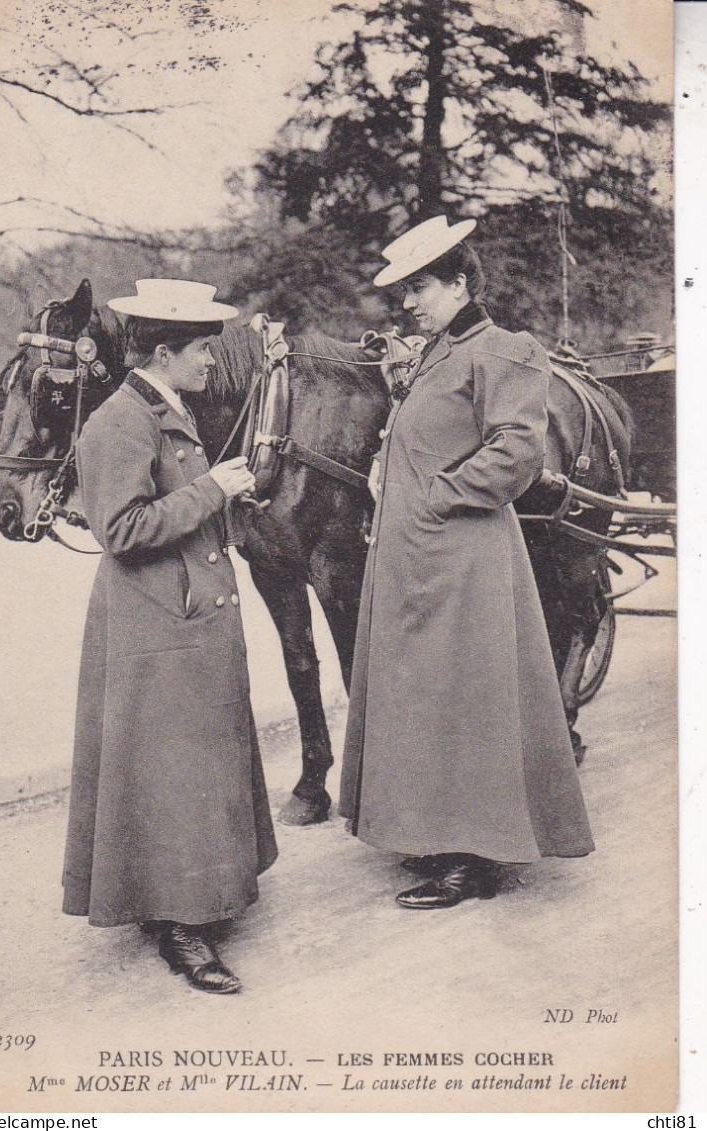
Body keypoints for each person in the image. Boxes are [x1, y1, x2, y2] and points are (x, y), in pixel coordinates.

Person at [339, 217, 594, 909]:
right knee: (426, 695)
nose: (408, 303)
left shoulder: (503, 349)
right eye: (403, 291)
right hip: (419, 557)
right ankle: (435, 833)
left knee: (466, 699)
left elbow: (516, 449)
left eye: (419, 286)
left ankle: (472, 858)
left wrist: (436, 497)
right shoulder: (436, 354)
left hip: (463, 554)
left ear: (458, 281)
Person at [62, 279, 277, 993]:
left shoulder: (165, 408)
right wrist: (212, 489)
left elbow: (179, 507)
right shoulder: (118, 422)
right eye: (202, 351)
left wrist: (225, 495)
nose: (212, 363)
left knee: (189, 768)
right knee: (167, 774)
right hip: (155, 627)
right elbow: (121, 529)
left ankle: (202, 896)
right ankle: (178, 925)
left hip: (182, 621)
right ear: (163, 351)